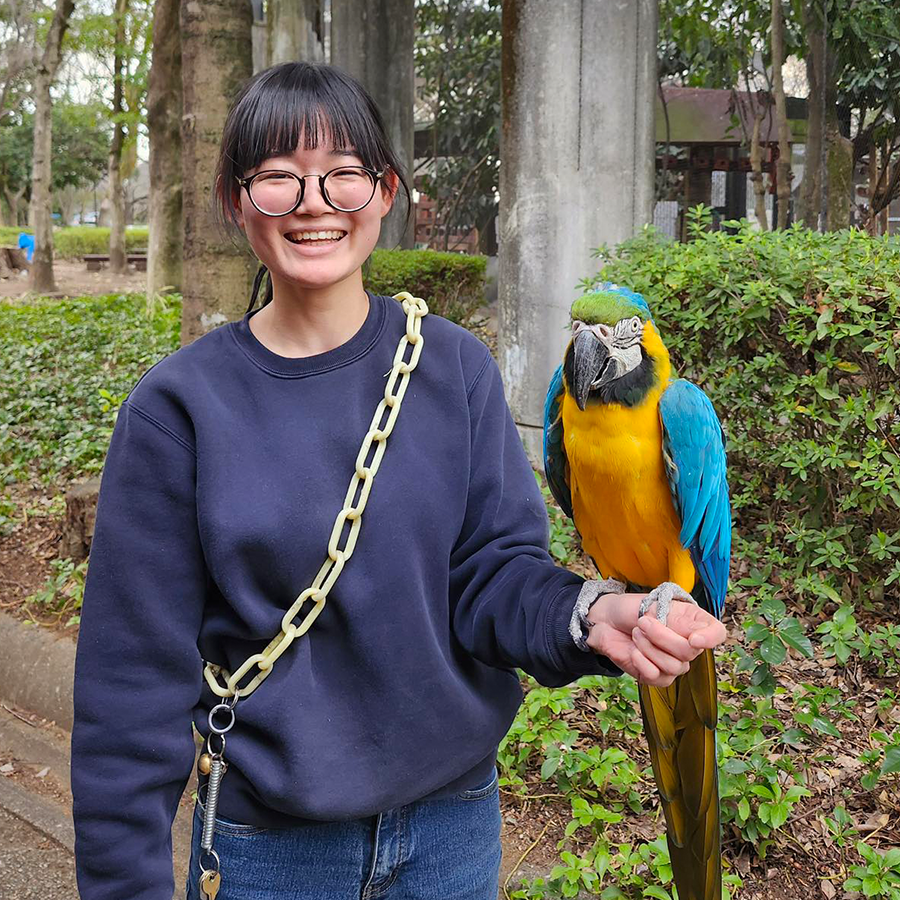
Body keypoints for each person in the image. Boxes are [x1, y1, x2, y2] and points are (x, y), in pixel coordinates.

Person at [70, 62, 726, 900]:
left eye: (344, 175)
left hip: (451, 837)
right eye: (277, 179)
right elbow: (130, 691)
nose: (314, 203)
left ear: (385, 193)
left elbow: (490, 576)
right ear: (238, 203)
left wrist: (591, 610)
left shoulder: (454, 368)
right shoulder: (177, 411)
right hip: (271, 852)